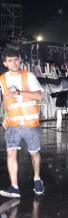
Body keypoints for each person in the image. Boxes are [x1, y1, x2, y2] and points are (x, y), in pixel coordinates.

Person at [0, 48, 44, 198]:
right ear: (5, 63)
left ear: (20, 60)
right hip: (12, 122)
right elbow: (5, 99)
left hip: (29, 122)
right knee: (11, 153)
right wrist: (5, 115)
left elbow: (39, 96)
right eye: (10, 60)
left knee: (34, 153)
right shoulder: (2, 79)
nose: (14, 63)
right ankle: (14, 187)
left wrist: (19, 92)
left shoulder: (28, 75)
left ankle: (37, 179)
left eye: (16, 59)